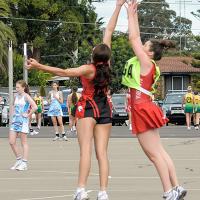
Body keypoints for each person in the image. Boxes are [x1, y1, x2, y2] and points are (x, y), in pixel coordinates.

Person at [26, 1, 125, 199]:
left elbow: (63, 71)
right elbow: (109, 31)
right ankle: (103, 192)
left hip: (88, 108)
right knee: (102, 154)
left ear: (94, 54)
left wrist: (38, 66)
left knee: (85, 151)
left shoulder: (89, 68)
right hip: (104, 109)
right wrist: (118, 7)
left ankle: (81, 189)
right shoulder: (107, 64)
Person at [122, 1, 187, 200]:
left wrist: (131, 13)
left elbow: (133, 37)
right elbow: (136, 37)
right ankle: (176, 186)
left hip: (142, 107)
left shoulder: (145, 62)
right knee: (159, 151)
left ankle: (168, 192)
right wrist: (133, 14)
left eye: (145, 46)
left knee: (154, 154)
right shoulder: (147, 62)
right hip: (145, 105)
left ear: (150, 53)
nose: (141, 46)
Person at [9, 80, 37, 171]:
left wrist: (28, 115)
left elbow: (35, 107)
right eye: (16, 87)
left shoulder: (26, 96)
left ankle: (24, 163)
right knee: (11, 141)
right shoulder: (15, 96)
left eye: (18, 87)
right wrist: (12, 117)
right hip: (15, 121)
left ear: (23, 88)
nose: (16, 89)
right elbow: (13, 106)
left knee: (23, 142)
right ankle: (18, 160)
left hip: (23, 122)